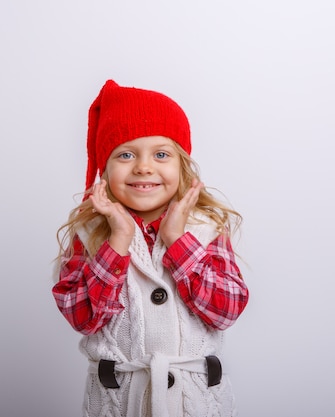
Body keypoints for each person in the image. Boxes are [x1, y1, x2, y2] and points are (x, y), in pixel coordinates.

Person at [52, 79, 249, 417]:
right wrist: (118, 240)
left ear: (182, 165)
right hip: (119, 403)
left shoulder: (205, 230)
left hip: (196, 404)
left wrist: (176, 240)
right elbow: (84, 318)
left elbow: (225, 310)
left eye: (161, 154)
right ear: (105, 168)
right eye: (125, 154)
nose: (144, 167)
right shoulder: (88, 235)